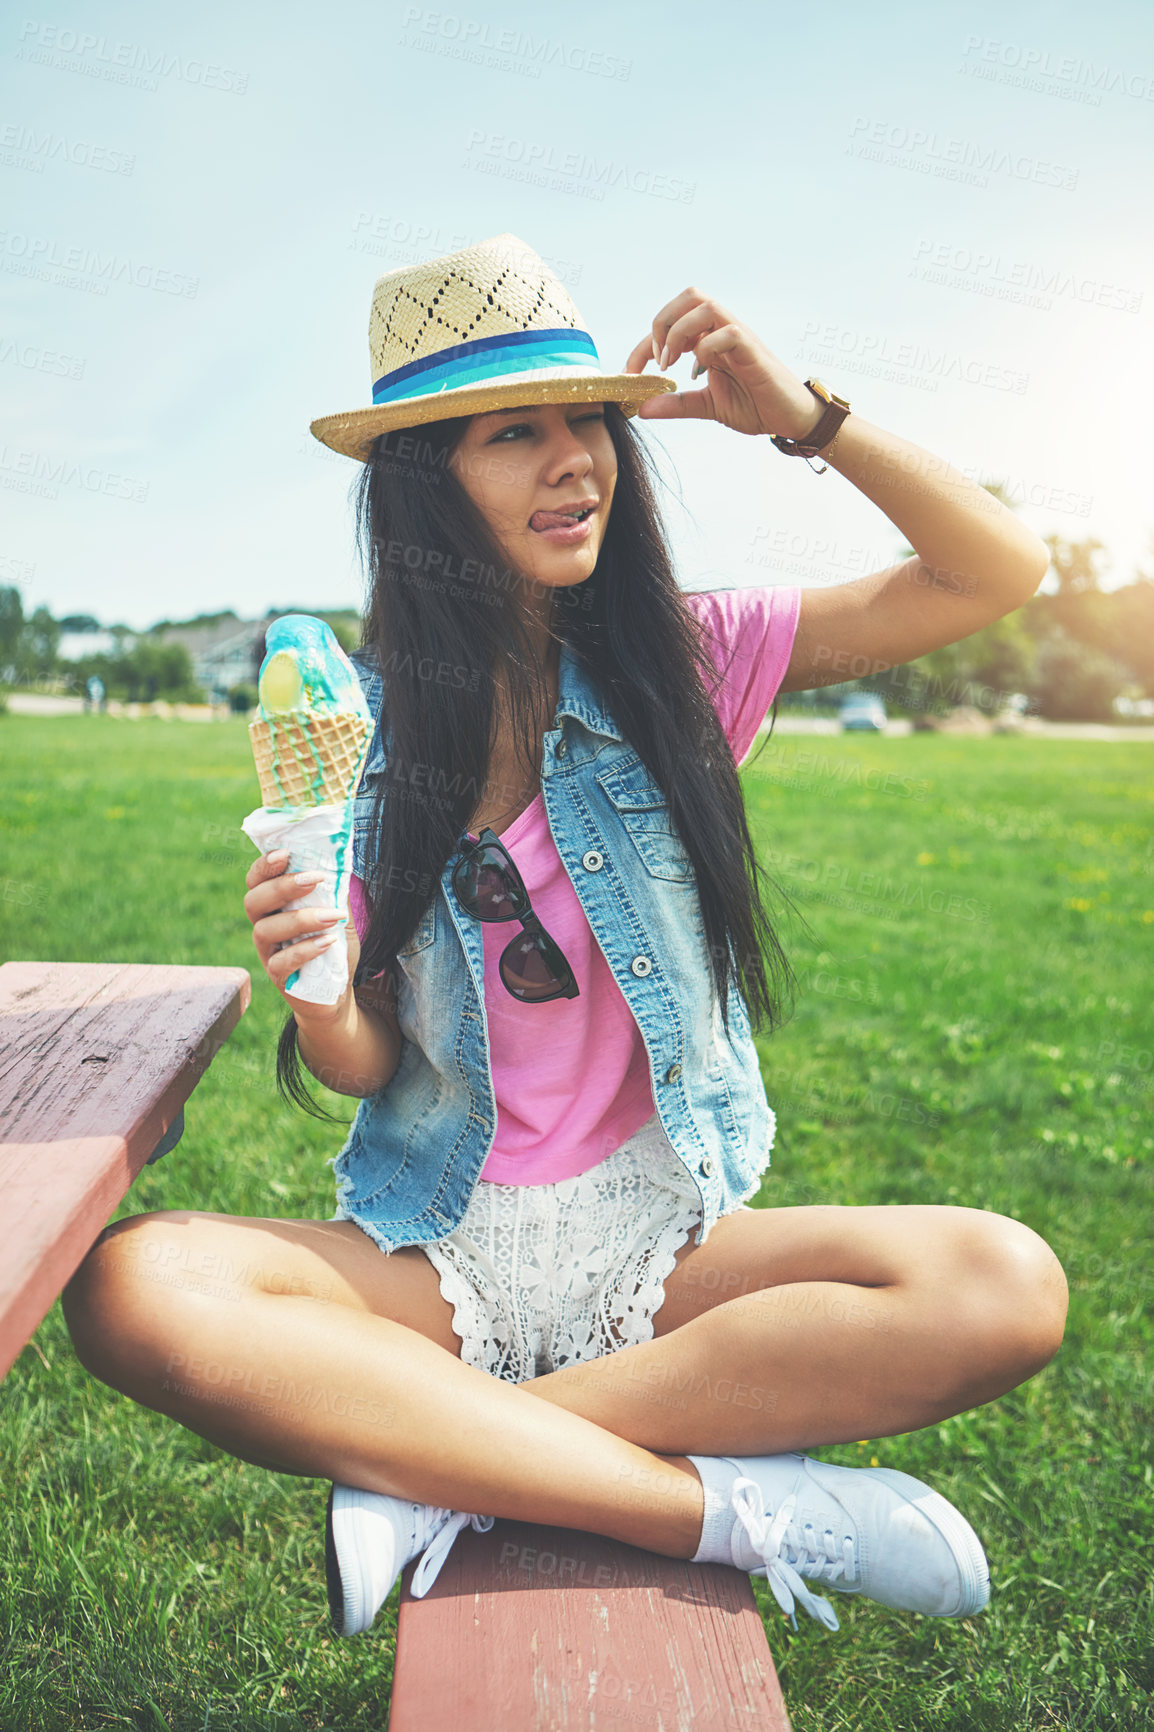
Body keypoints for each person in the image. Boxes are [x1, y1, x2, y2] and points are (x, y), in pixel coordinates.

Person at [62, 233, 1067, 1642]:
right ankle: (724, 1515)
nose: (576, 460)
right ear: (426, 483)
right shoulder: (355, 747)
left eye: (589, 421)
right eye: (514, 433)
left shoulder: (690, 663)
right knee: (133, 1286)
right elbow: (362, 1070)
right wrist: (317, 994)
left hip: (661, 1244)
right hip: (443, 1255)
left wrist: (807, 422)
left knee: (1000, 1284)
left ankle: (448, 1463)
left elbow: (994, 572)